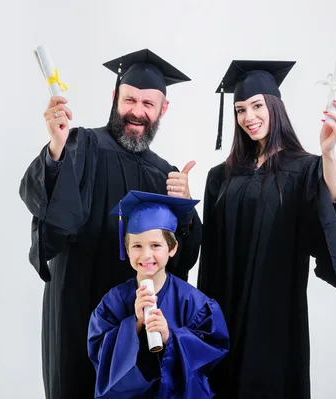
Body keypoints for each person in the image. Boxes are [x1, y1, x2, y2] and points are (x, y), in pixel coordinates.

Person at [18, 49, 203, 399]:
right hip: (77, 308)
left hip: (135, 318)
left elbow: (183, 258)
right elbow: (41, 198)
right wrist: (56, 149)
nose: (137, 112)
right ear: (114, 97)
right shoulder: (81, 145)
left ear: (163, 110)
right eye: (130, 99)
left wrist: (185, 211)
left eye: (149, 104)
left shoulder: (165, 172)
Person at [197, 60, 336, 398]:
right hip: (225, 310)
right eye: (240, 109)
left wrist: (328, 153)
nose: (248, 117)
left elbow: (330, 204)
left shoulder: (304, 170)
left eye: (258, 105)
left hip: (275, 315)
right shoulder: (221, 176)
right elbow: (211, 256)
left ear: (277, 106)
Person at [87, 190, 229, 398]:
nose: (146, 255)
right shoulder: (113, 302)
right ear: (127, 250)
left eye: (155, 245)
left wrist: (171, 337)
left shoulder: (194, 302)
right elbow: (98, 354)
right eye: (137, 246)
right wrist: (133, 324)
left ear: (172, 249)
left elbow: (213, 352)